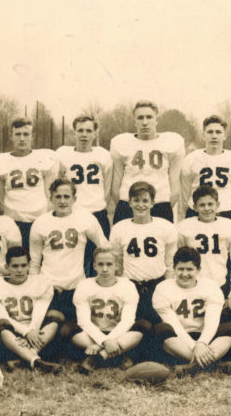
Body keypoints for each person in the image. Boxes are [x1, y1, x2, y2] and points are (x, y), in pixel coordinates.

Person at [28, 178, 108, 322]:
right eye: (58, 197)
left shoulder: (85, 218)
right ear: (50, 198)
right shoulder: (40, 223)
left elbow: (104, 247)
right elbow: (34, 262)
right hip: (48, 287)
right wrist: (35, 289)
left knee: (73, 330)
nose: (62, 201)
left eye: (66, 197)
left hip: (76, 286)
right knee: (51, 326)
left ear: (74, 199)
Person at [151, 247, 231, 376]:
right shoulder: (163, 288)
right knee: (162, 329)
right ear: (174, 269)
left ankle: (193, 366)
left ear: (198, 270)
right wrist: (194, 346)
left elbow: (212, 322)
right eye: (181, 269)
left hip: (206, 337)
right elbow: (174, 325)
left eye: (190, 269)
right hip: (180, 340)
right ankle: (213, 365)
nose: (185, 274)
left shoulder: (210, 286)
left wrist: (202, 343)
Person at [108, 181, 179, 324]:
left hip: (157, 286)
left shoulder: (166, 227)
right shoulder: (119, 228)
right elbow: (117, 262)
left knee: (159, 327)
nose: (141, 204)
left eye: (145, 200)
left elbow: (170, 263)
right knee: (132, 326)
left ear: (152, 203)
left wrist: (169, 289)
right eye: (136, 200)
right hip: (130, 286)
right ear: (129, 202)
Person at [0, 246, 62, 372]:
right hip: (11, 335)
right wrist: (26, 332)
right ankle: (34, 360)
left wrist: (32, 331)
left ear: (29, 266)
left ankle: (29, 358)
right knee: (2, 324)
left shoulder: (41, 282)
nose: (20, 270)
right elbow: (3, 317)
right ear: (6, 267)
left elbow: (40, 312)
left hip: (36, 332)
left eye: (23, 265)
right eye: (15, 266)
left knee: (55, 318)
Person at [69, 248, 148, 373]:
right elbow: (83, 321)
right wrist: (105, 341)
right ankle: (118, 355)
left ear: (117, 265)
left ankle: (97, 357)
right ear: (94, 265)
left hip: (119, 333)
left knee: (144, 326)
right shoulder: (84, 285)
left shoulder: (127, 285)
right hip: (91, 334)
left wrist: (107, 341)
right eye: (100, 264)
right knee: (67, 329)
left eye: (109, 264)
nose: (105, 269)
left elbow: (128, 320)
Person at [0, 118, 61, 246]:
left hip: (40, 220)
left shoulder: (45, 158)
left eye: (26, 134)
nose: (22, 138)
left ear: (32, 136)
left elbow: (49, 195)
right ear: (11, 136)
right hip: (13, 221)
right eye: (18, 134)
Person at [110, 100, 185, 223]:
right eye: (140, 118)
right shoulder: (121, 143)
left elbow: (175, 185)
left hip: (160, 204)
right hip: (128, 205)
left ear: (157, 119)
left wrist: (163, 205)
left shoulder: (172, 142)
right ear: (134, 121)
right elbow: (116, 184)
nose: (145, 122)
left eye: (149, 117)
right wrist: (128, 205)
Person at [56, 114, 113, 275]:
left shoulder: (103, 155)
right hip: (72, 216)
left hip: (97, 214)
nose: (84, 134)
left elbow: (107, 188)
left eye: (88, 130)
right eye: (80, 130)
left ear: (95, 133)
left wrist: (99, 206)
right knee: (74, 262)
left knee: (100, 262)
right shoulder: (63, 154)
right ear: (73, 133)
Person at [176, 185, 231, 298]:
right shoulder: (184, 227)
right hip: (192, 285)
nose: (207, 208)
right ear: (194, 207)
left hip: (219, 284)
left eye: (210, 204)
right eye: (202, 205)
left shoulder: (230, 227)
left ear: (217, 205)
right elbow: (177, 260)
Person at [178, 114, 231, 221]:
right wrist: (181, 221)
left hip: (224, 213)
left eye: (218, 132)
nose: (214, 136)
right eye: (210, 132)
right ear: (203, 135)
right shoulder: (191, 159)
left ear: (225, 135)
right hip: (196, 213)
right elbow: (184, 198)